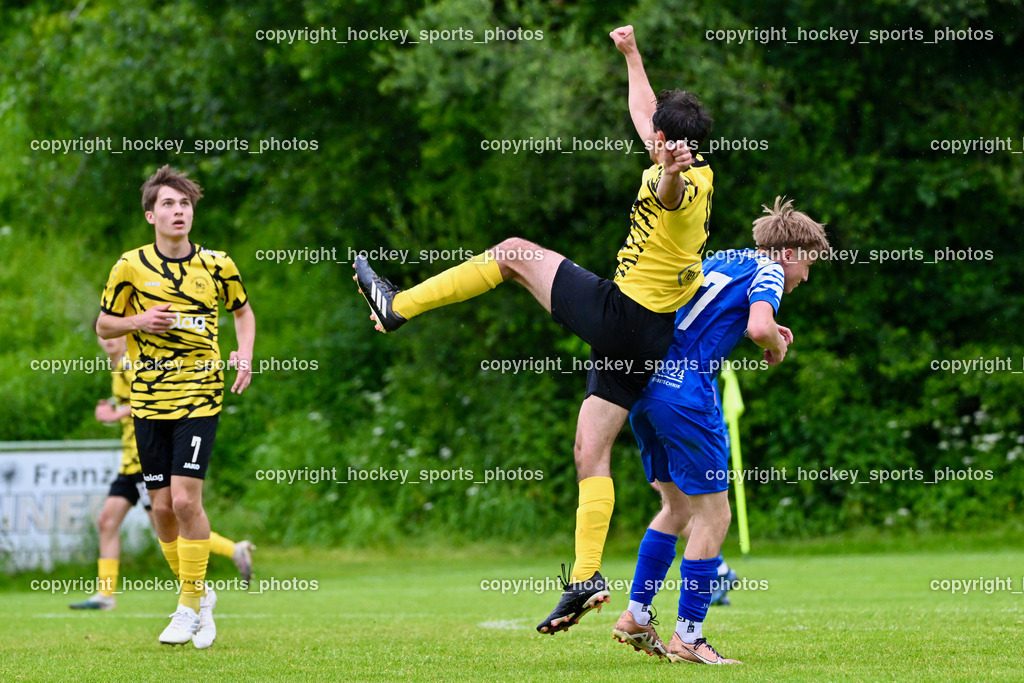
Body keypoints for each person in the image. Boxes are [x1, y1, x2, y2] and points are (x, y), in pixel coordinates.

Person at [353, 25, 714, 634]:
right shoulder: (683, 157)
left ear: (668, 145)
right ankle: (586, 577)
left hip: (623, 315)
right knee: (589, 449)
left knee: (514, 252)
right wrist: (632, 55)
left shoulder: (676, 178)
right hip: (647, 336)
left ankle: (399, 306)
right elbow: (643, 112)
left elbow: (672, 193)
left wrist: (670, 170)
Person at [611, 197, 829, 664]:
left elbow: (707, 315)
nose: (805, 278)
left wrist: (770, 329)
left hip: (646, 389)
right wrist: (775, 344)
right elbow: (756, 327)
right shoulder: (770, 270)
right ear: (789, 253)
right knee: (715, 517)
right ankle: (688, 636)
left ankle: (635, 614)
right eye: (807, 264)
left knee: (675, 507)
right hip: (687, 396)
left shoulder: (724, 260)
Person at [96, 165, 255, 648]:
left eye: (184, 203)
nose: (178, 211)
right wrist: (139, 320)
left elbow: (243, 312)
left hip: (199, 395)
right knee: (161, 509)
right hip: (147, 403)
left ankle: (186, 607)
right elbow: (104, 327)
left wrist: (243, 355)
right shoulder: (129, 266)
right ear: (151, 215)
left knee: (187, 501)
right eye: (168, 204)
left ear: (192, 212)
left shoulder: (218, 264)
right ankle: (200, 595)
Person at [70, 332, 256, 611]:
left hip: (147, 460)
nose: (108, 338)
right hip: (129, 463)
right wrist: (115, 408)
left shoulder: (132, 363)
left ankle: (213, 572)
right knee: (107, 521)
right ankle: (106, 594)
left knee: (169, 521)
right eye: (101, 331)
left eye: (116, 333)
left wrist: (116, 413)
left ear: (127, 336)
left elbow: (153, 398)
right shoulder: (117, 367)